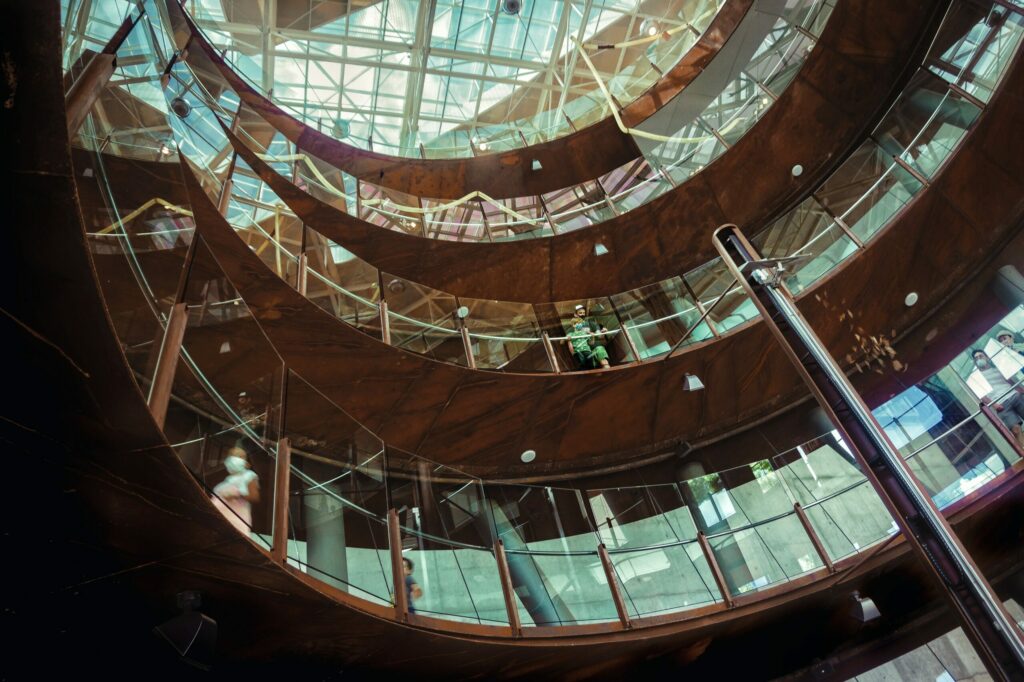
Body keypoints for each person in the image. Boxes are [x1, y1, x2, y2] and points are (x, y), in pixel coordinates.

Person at [972, 349, 1024, 446]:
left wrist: (1020, 389)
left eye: (981, 356)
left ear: (987, 357)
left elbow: (1010, 380)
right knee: (1016, 430)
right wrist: (994, 405)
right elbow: (982, 395)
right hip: (1001, 405)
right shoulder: (977, 378)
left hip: (1014, 395)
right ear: (975, 362)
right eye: (976, 358)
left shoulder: (997, 369)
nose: (979, 359)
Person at [211, 445, 260, 534]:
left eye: (239, 456)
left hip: (235, 522)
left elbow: (254, 496)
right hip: (218, 520)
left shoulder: (249, 475)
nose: (234, 459)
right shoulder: (227, 480)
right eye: (232, 456)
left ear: (244, 460)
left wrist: (236, 494)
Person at [564, 304, 611, 370]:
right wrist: (574, 354)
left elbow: (600, 336)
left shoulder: (591, 323)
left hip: (593, 349)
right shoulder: (571, 330)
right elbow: (569, 344)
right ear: (575, 315)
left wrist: (603, 332)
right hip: (581, 352)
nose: (582, 315)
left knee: (600, 350)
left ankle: (608, 370)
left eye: (583, 313)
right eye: (580, 313)